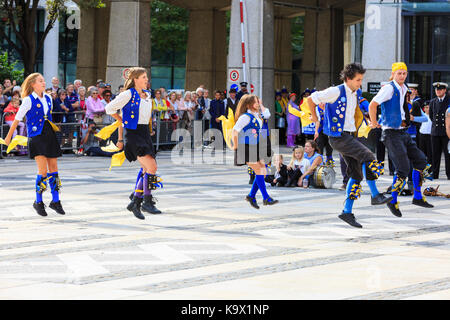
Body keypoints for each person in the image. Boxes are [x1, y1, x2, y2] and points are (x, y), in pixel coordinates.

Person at [307, 62, 390, 228]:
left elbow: (363, 103)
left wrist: (372, 117)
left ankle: (346, 212)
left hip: (350, 136)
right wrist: (316, 120)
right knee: (368, 156)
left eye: (361, 80)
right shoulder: (335, 91)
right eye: (358, 80)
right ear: (348, 79)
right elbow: (311, 99)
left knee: (357, 175)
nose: (360, 83)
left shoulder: (356, 91)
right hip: (338, 137)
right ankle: (375, 195)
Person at [369, 62, 433, 219]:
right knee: (403, 169)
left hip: (403, 132)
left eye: (404, 73)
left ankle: (417, 196)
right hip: (391, 133)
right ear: (393, 74)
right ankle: (393, 200)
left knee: (421, 161)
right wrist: (373, 122)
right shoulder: (389, 88)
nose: (402, 76)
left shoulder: (404, 89)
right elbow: (373, 104)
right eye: (399, 73)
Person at [3, 73, 65, 216]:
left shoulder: (48, 98)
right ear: (32, 84)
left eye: (44, 80)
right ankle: (38, 202)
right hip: (36, 136)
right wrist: (8, 137)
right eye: (40, 81)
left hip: (49, 134)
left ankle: (55, 201)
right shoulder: (28, 100)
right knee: (42, 171)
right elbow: (17, 119)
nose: (44, 83)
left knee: (54, 168)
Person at [105, 67, 162, 219]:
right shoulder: (127, 94)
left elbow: (146, 116)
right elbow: (109, 108)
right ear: (135, 79)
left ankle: (139, 201)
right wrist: (121, 120)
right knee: (151, 167)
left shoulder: (147, 95)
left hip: (144, 133)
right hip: (134, 133)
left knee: (147, 168)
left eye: (146, 77)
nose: (146, 80)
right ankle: (139, 201)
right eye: (143, 77)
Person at [232, 94, 278, 208]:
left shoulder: (257, 116)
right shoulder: (245, 117)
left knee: (263, 170)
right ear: (248, 105)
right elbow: (235, 131)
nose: (258, 103)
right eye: (255, 102)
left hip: (255, 146)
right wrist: (236, 147)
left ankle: (251, 195)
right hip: (245, 147)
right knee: (259, 170)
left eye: (258, 101)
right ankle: (266, 197)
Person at [429, 82, 450, 179]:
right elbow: (431, 116)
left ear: (445, 90)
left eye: (440, 89)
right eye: (436, 90)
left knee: (448, 154)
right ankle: (435, 173)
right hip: (435, 131)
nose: (438, 91)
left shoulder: (449, 101)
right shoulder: (433, 101)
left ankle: (449, 173)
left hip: (447, 132)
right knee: (435, 154)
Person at [419, 101, 432, 166]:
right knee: (422, 153)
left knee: (430, 153)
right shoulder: (422, 115)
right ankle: (422, 168)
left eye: (429, 107)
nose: (428, 109)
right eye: (426, 107)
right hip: (422, 135)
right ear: (424, 108)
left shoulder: (433, 116)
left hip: (430, 136)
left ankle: (429, 169)